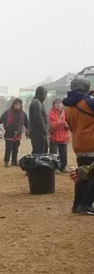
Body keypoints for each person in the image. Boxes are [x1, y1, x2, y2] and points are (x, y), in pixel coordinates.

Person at [63, 78, 94, 215]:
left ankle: (77, 204)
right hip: (91, 142)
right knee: (91, 174)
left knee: (81, 175)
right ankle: (86, 204)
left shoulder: (68, 107)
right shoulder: (88, 102)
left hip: (79, 144)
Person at [0, 98, 27, 167]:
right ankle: (6, 161)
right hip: (9, 133)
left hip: (18, 134)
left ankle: (14, 162)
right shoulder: (7, 112)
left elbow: (26, 123)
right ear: (13, 105)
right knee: (8, 148)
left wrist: (29, 129)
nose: (17, 106)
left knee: (15, 149)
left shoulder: (23, 114)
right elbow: (0, 119)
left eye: (19, 105)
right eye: (16, 105)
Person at [49, 98, 71, 173]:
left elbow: (69, 122)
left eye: (59, 103)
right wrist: (61, 123)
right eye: (56, 103)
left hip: (64, 137)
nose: (58, 104)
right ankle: (54, 168)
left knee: (63, 154)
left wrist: (67, 126)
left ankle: (63, 167)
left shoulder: (65, 113)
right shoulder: (50, 113)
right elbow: (51, 125)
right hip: (54, 136)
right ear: (53, 105)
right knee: (54, 154)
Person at [28, 86, 50, 156]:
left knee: (41, 152)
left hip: (39, 132)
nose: (45, 97)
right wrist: (44, 130)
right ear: (42, 94)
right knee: (38, 153)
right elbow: (38, 119)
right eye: (45, 94)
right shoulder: (36, 102)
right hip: (37, 132)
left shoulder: (39, 102)